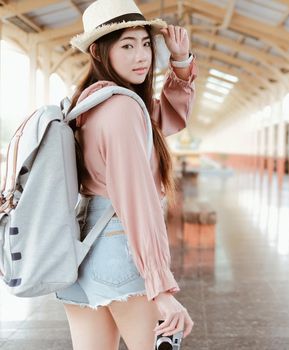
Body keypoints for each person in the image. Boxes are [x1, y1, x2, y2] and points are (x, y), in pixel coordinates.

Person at [54, 0, 197, 349]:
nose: (142, 56)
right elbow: (138, 203)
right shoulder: (121, 109)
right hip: (119, 249)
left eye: (146, 43)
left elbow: (162, 122)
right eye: (127, 46)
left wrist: (179, 64)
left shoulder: (87, 103)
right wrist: (161, 288)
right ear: (100, 52)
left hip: (81, 249)